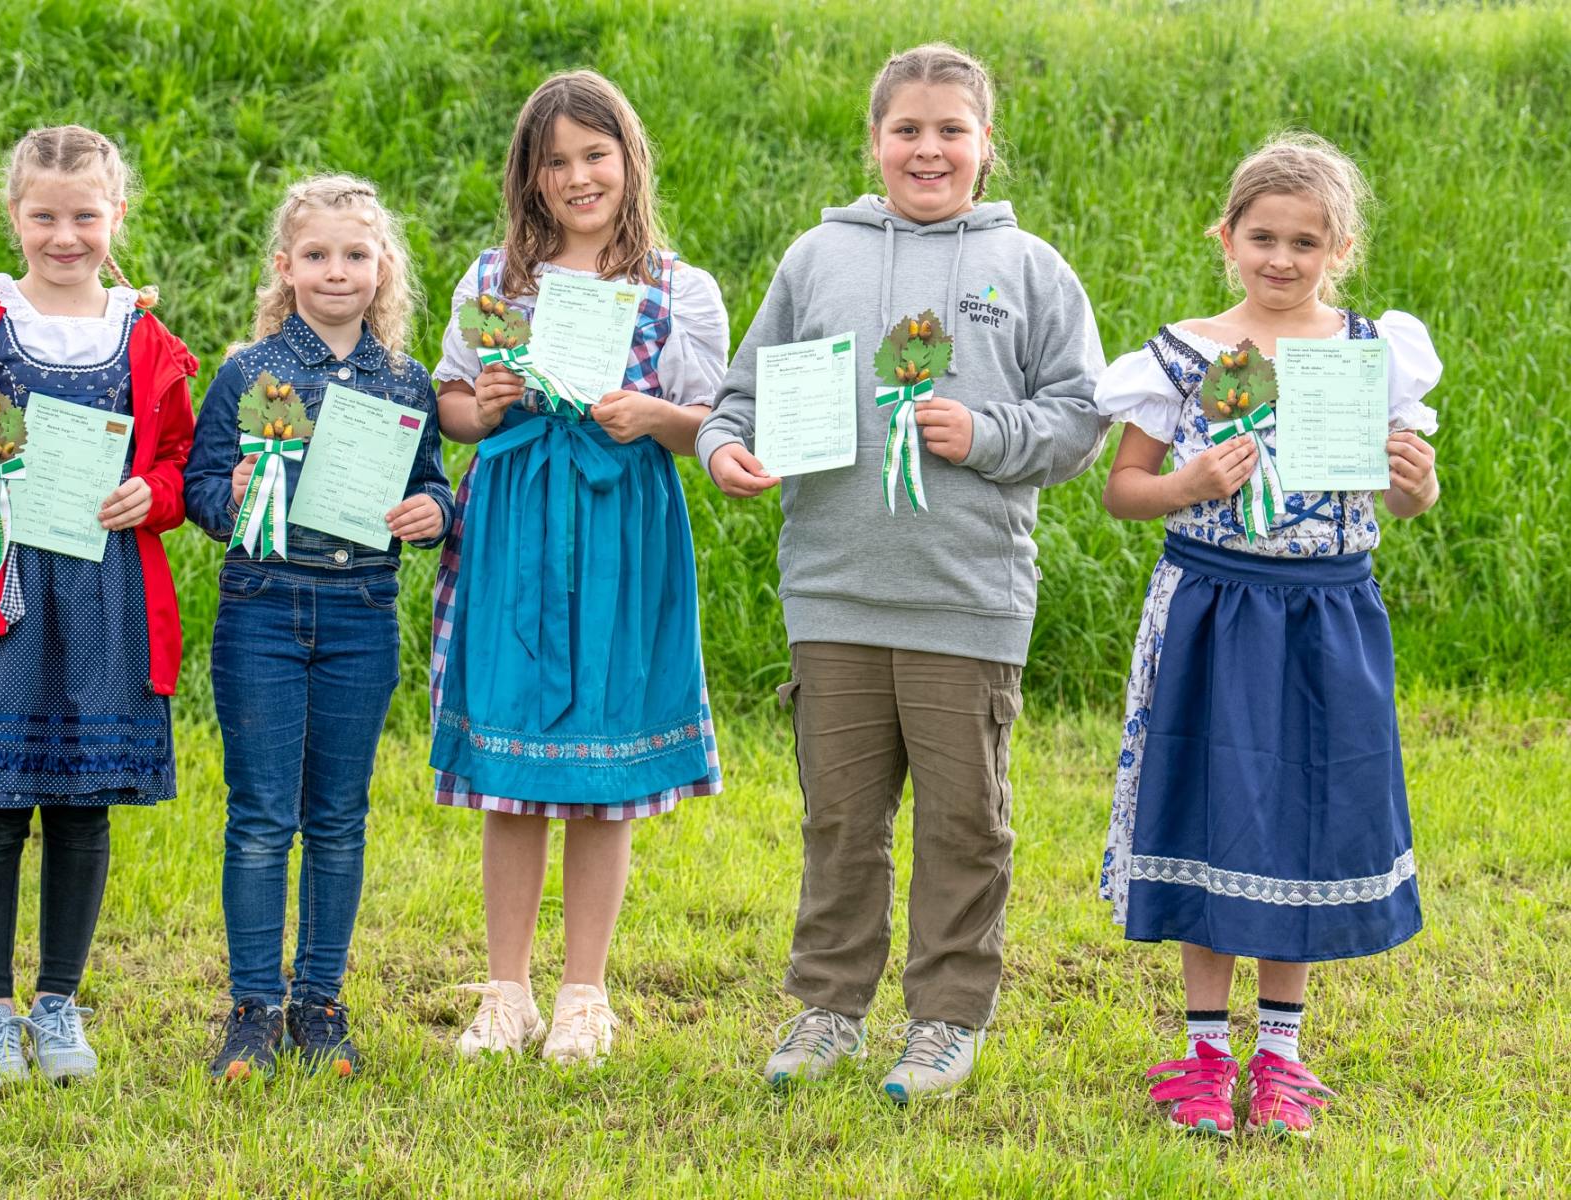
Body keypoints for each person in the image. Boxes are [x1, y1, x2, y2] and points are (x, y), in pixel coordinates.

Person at [698, 43, 1107, 1102]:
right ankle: (829, 1006)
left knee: (965, 822)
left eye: (951, 131)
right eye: (908, 130)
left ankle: (944, 1021)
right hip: (832, 590)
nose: (929, 150)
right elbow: (742, 398)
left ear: (985, 144)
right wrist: (724, 452)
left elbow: (1077, 422)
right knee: (840, 818)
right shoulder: (815, 258)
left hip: (966, 598)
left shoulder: (1031, 270)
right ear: (875, 140)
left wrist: (985, 430)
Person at [1095, 132, 1442, 1138]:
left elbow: (1404, 494)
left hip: (1328, 614)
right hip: (1210, 606)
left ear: (1340, 247)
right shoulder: (1183, 355)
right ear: (1228, 236)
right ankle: (1205, 1052)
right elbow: (1124, 490)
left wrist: (1416, 488)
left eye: (1306, 241)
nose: (1282, 259)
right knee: (1210, 809)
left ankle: (1282, 1055)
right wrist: (1188, 485)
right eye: (1263, 237)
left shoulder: (1371, 354)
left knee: (1306, 812)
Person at [431, 70, 728, 1065]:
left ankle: (584, 993)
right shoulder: (494, 280)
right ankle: (507, 989)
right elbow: (454, 409)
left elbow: (710, 426)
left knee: (603, 766)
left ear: (628, 160)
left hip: (619, 531)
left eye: (594, 154)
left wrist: (656, 417)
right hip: (514, 523)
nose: (576, 175)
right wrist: (494, 401)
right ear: (531, 176)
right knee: (512, 763)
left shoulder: (678, 289)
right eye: (555, 161)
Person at [0, 124, 197, 1089]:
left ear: (116, 217)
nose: (64, 237)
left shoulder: (145, 337)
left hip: (106, 595)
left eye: (84, 217)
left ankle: (60, 999)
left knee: (80, 807)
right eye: (44, 217)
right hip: (2, 594)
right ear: (15, 216)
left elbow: (183, 464)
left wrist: (155, 494)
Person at [184, 174, 452, 1081]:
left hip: (361, 612)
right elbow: (197, 486)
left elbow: (433, 480)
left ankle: (321, 1005)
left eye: (356, 254)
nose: (337, 271)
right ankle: (253, 1009)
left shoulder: (405, 380)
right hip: (262, 606)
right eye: (317, 255)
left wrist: (433, 512)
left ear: (383, 269)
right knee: (261, 817)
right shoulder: (246, 372)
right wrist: (233, 500)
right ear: (285, 267)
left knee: (338, 818)